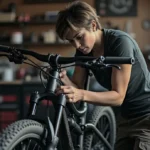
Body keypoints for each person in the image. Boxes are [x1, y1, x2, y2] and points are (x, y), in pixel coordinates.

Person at [55, 1, 150, 149]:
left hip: (146, 116)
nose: (77, 45)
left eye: (79, 37)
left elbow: (118, 96)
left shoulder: (120, 42)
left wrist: (80, 94)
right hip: (124, 117)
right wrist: (63, 78)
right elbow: (77, 86)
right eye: (71, 41)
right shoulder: (83, 51)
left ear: (93, 25)